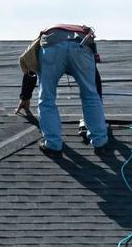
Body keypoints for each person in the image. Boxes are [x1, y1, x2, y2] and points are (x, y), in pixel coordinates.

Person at [17, 25, 109, 154]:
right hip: (81, 45)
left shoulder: (45, 38)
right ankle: (100, 143)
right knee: (90, 95)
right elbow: (95, 83)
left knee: (47, 98)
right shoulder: (80, 40)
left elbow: (31, 68)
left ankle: (53, 144)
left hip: (51, 46)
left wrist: (25, 97)